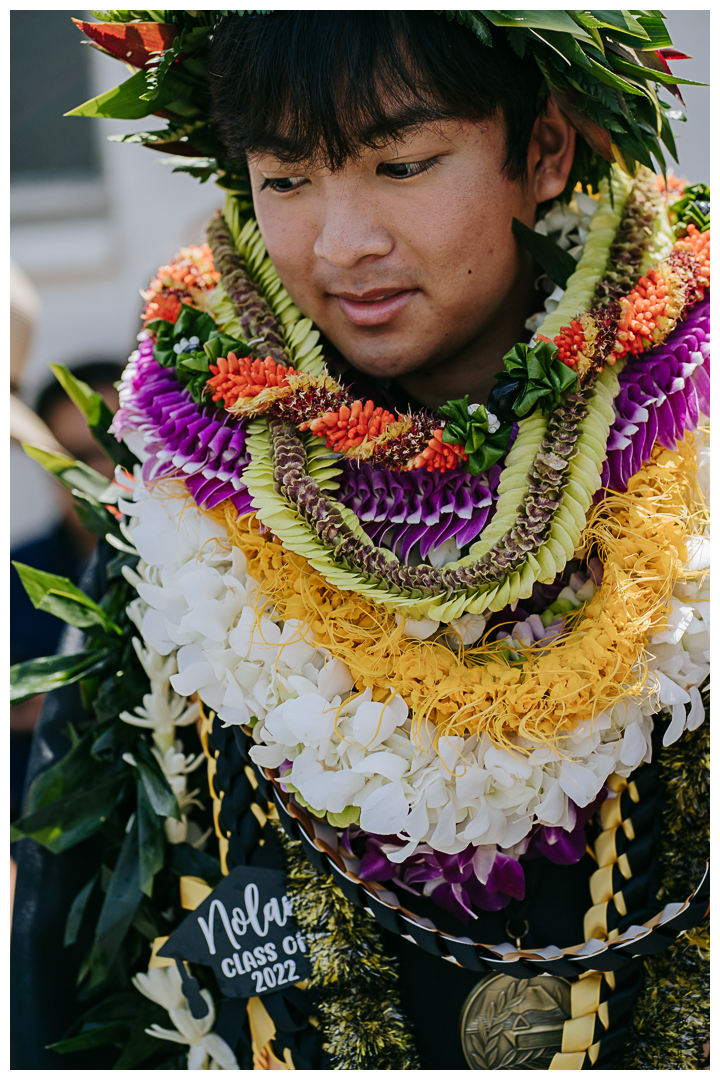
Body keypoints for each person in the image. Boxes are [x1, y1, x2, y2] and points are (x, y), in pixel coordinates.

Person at [11, 11, 709, 1072]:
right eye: (286, 180)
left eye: (402, 163)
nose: (341, 245)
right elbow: (75, 986)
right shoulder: (178, 523)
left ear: (545, 150)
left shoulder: (692, 467)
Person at [10, 361, 124, 819]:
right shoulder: (15, 575)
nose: (98, 474)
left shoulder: (205, 566)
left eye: (111, 449)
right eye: (74, 457)